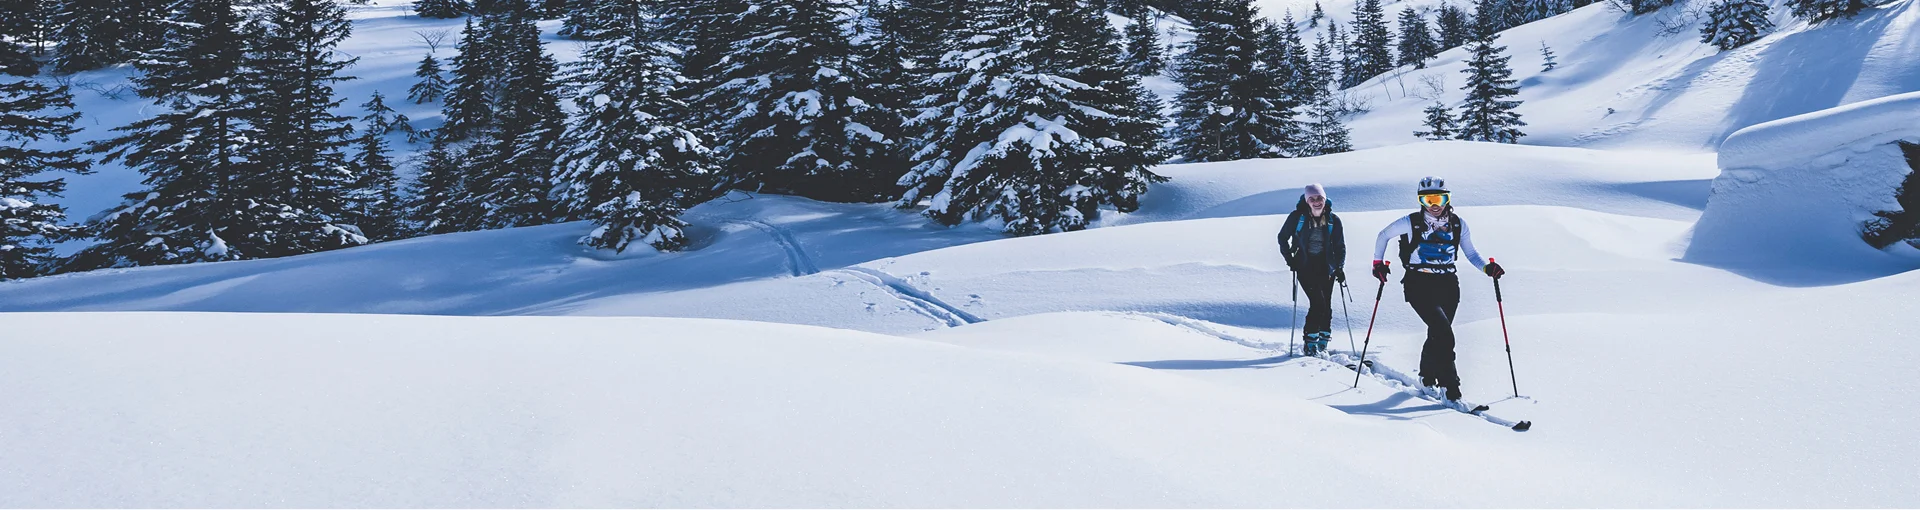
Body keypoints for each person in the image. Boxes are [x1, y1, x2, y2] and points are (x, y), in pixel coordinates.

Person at [1369, 176, 1505, 401]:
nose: (1434, 203)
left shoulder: (1459, 224)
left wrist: (1487, 268)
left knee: (1438, 333)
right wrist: (1378, 263)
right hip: (1418, 284)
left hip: (1449, 285)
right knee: (1444, 333)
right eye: (1428, 199)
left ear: (1447, 198)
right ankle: (1450, 387)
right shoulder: (1410, 222)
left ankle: (1426, 377)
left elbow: (1471, 253)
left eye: (1439, 198)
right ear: (1421, 200)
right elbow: (1383, 235)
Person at [1277, 184, 1346, 356]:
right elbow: (1282, 237)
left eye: (1319, 198)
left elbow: (1340, 246)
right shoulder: (1297, 217)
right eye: (1312, 199)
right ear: (1307, 201)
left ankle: (1323, 339)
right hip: (1305, 266)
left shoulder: (1333, 220)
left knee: (1327, 305)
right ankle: (1310, 342)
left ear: (1324, 199)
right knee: (1318, 303)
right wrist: (1290, 260)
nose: (1316, 202)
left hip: (1326, 267)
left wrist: (1339, 267)